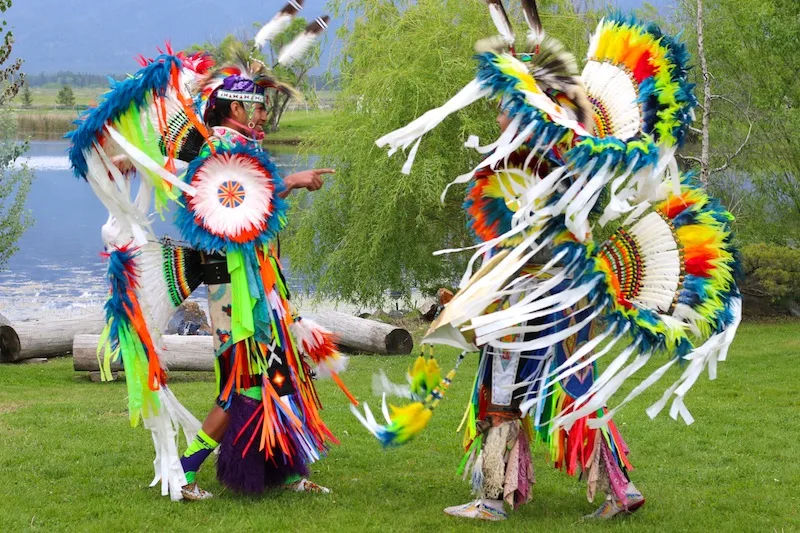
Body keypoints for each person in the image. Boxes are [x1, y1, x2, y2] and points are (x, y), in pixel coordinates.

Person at [356, 0, 741, 522]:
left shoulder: (536, 166)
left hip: (528, 304)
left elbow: (524, 244)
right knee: (578, 391)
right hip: (563, 301)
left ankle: (492, 499)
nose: (496, 114)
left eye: (504, 106)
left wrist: (487, 296)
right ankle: (619, 489)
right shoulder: (561, 161)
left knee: (501, 396)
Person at [178, 64, 344, 500]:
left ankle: (290, 475)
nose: (263, 116)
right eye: (257, 107)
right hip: (235, 294)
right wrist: (291, 180)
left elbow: (255, 204)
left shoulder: (239, 149)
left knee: (277, 374)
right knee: (237, 388)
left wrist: (286, 185)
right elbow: (241, 203)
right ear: (236, 107)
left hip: (258, 288)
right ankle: (183, 472)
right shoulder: (221, 148)